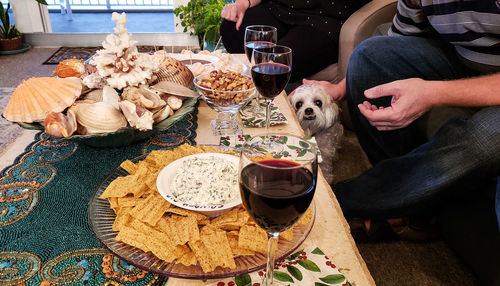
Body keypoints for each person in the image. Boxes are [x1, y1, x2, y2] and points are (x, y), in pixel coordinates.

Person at [298, 0, 500, 241]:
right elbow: (399, 39)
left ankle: (338, 199)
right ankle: (407, 202)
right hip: (464, 61)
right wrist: (343, 87)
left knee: (482, 140)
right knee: (368, 57)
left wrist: (433, 93)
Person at [219, 0, 369, 84]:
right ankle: (236, 99)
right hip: (282, 7)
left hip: (326, 19)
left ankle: (263, 116)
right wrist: (245, 3)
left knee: (277, 61)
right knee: (232, 29)